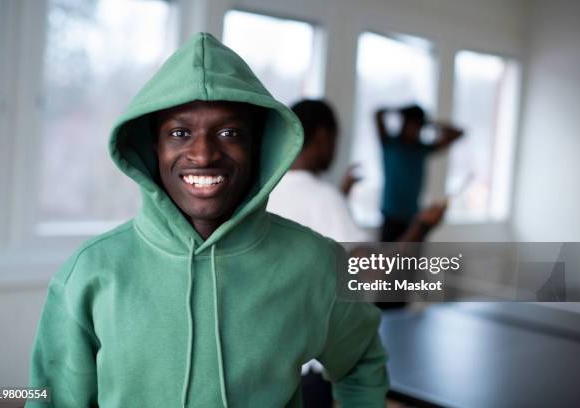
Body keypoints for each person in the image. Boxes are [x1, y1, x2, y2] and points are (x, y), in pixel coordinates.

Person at [26, 33, 388, 407]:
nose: (202, 154)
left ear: (257, 145)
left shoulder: (316, 263)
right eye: (179, 133)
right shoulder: (90, 272)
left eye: (229, 133)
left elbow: (361, 361)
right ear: (153, 146)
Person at [268, 99, 370, 243]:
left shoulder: (266, 189)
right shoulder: (325, 197)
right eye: (335, 138)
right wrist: (414, 228)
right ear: (322, 136)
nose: (335, 149)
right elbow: (367, 261)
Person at [376, 104, 463, 242]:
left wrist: (430, 123)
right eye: (411, 124)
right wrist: (398, 111)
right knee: (388, 261)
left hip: (413, 219)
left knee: (411, 262)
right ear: (404, 124)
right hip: (391, 218)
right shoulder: (390, 144)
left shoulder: (421, 149)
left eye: (418, 126)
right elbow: (378, 114)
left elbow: (458, 134)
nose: (415, 130)